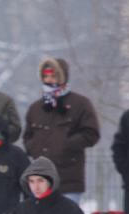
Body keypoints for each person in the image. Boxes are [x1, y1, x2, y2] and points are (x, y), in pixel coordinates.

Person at [23, 57, 100, 204]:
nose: (49, 79)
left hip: (69, 178)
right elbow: (27, 137)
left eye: (54, 75)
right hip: (41, 179)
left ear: (63, 76)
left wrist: (66, 144)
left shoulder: (80, 104)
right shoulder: (36, 108)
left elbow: (91, 133)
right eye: (46, 76)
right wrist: (34, 149)